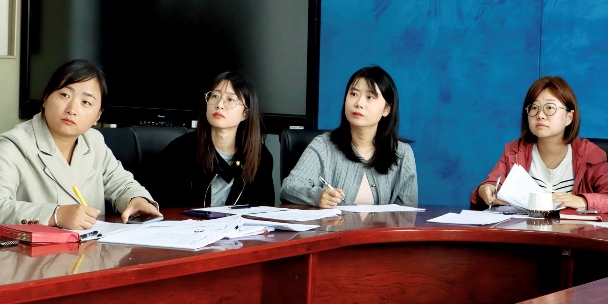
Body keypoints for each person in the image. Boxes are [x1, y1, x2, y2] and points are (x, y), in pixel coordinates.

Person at [0, 59, 161, 228]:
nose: (72, 109)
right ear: (46, 98)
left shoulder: (93, 141)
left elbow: (121, 184)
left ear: (97, 116)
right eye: (64, 95)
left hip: (91, 249)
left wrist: (137, 200)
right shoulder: (12, 145)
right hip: (30, 252)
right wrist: (55, 215)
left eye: (86, 102)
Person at [473, 76, 608, 213]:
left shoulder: (589, 154)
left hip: (573, 234)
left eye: (550, 108)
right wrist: (485, 190)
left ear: (569, 117)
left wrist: (583, 201)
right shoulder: (514, 151)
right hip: (524, 233)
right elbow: (490, 185)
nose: (540, 115)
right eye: (534, 108)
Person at [281, 65, 417, 207]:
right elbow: (289, 188)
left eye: (370, 97)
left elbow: (407, 212)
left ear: (387, 109)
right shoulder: (323, 146)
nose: (359, 103)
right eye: (353, 94)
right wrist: (318, 196)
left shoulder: (402, 154)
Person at [154, 71, 275, 207]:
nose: (219, 105)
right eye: (215, 96)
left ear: (245, 114)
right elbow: (163, 207)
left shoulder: (261, 157)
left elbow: (264, 210)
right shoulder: (180, 150)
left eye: (230, 99)